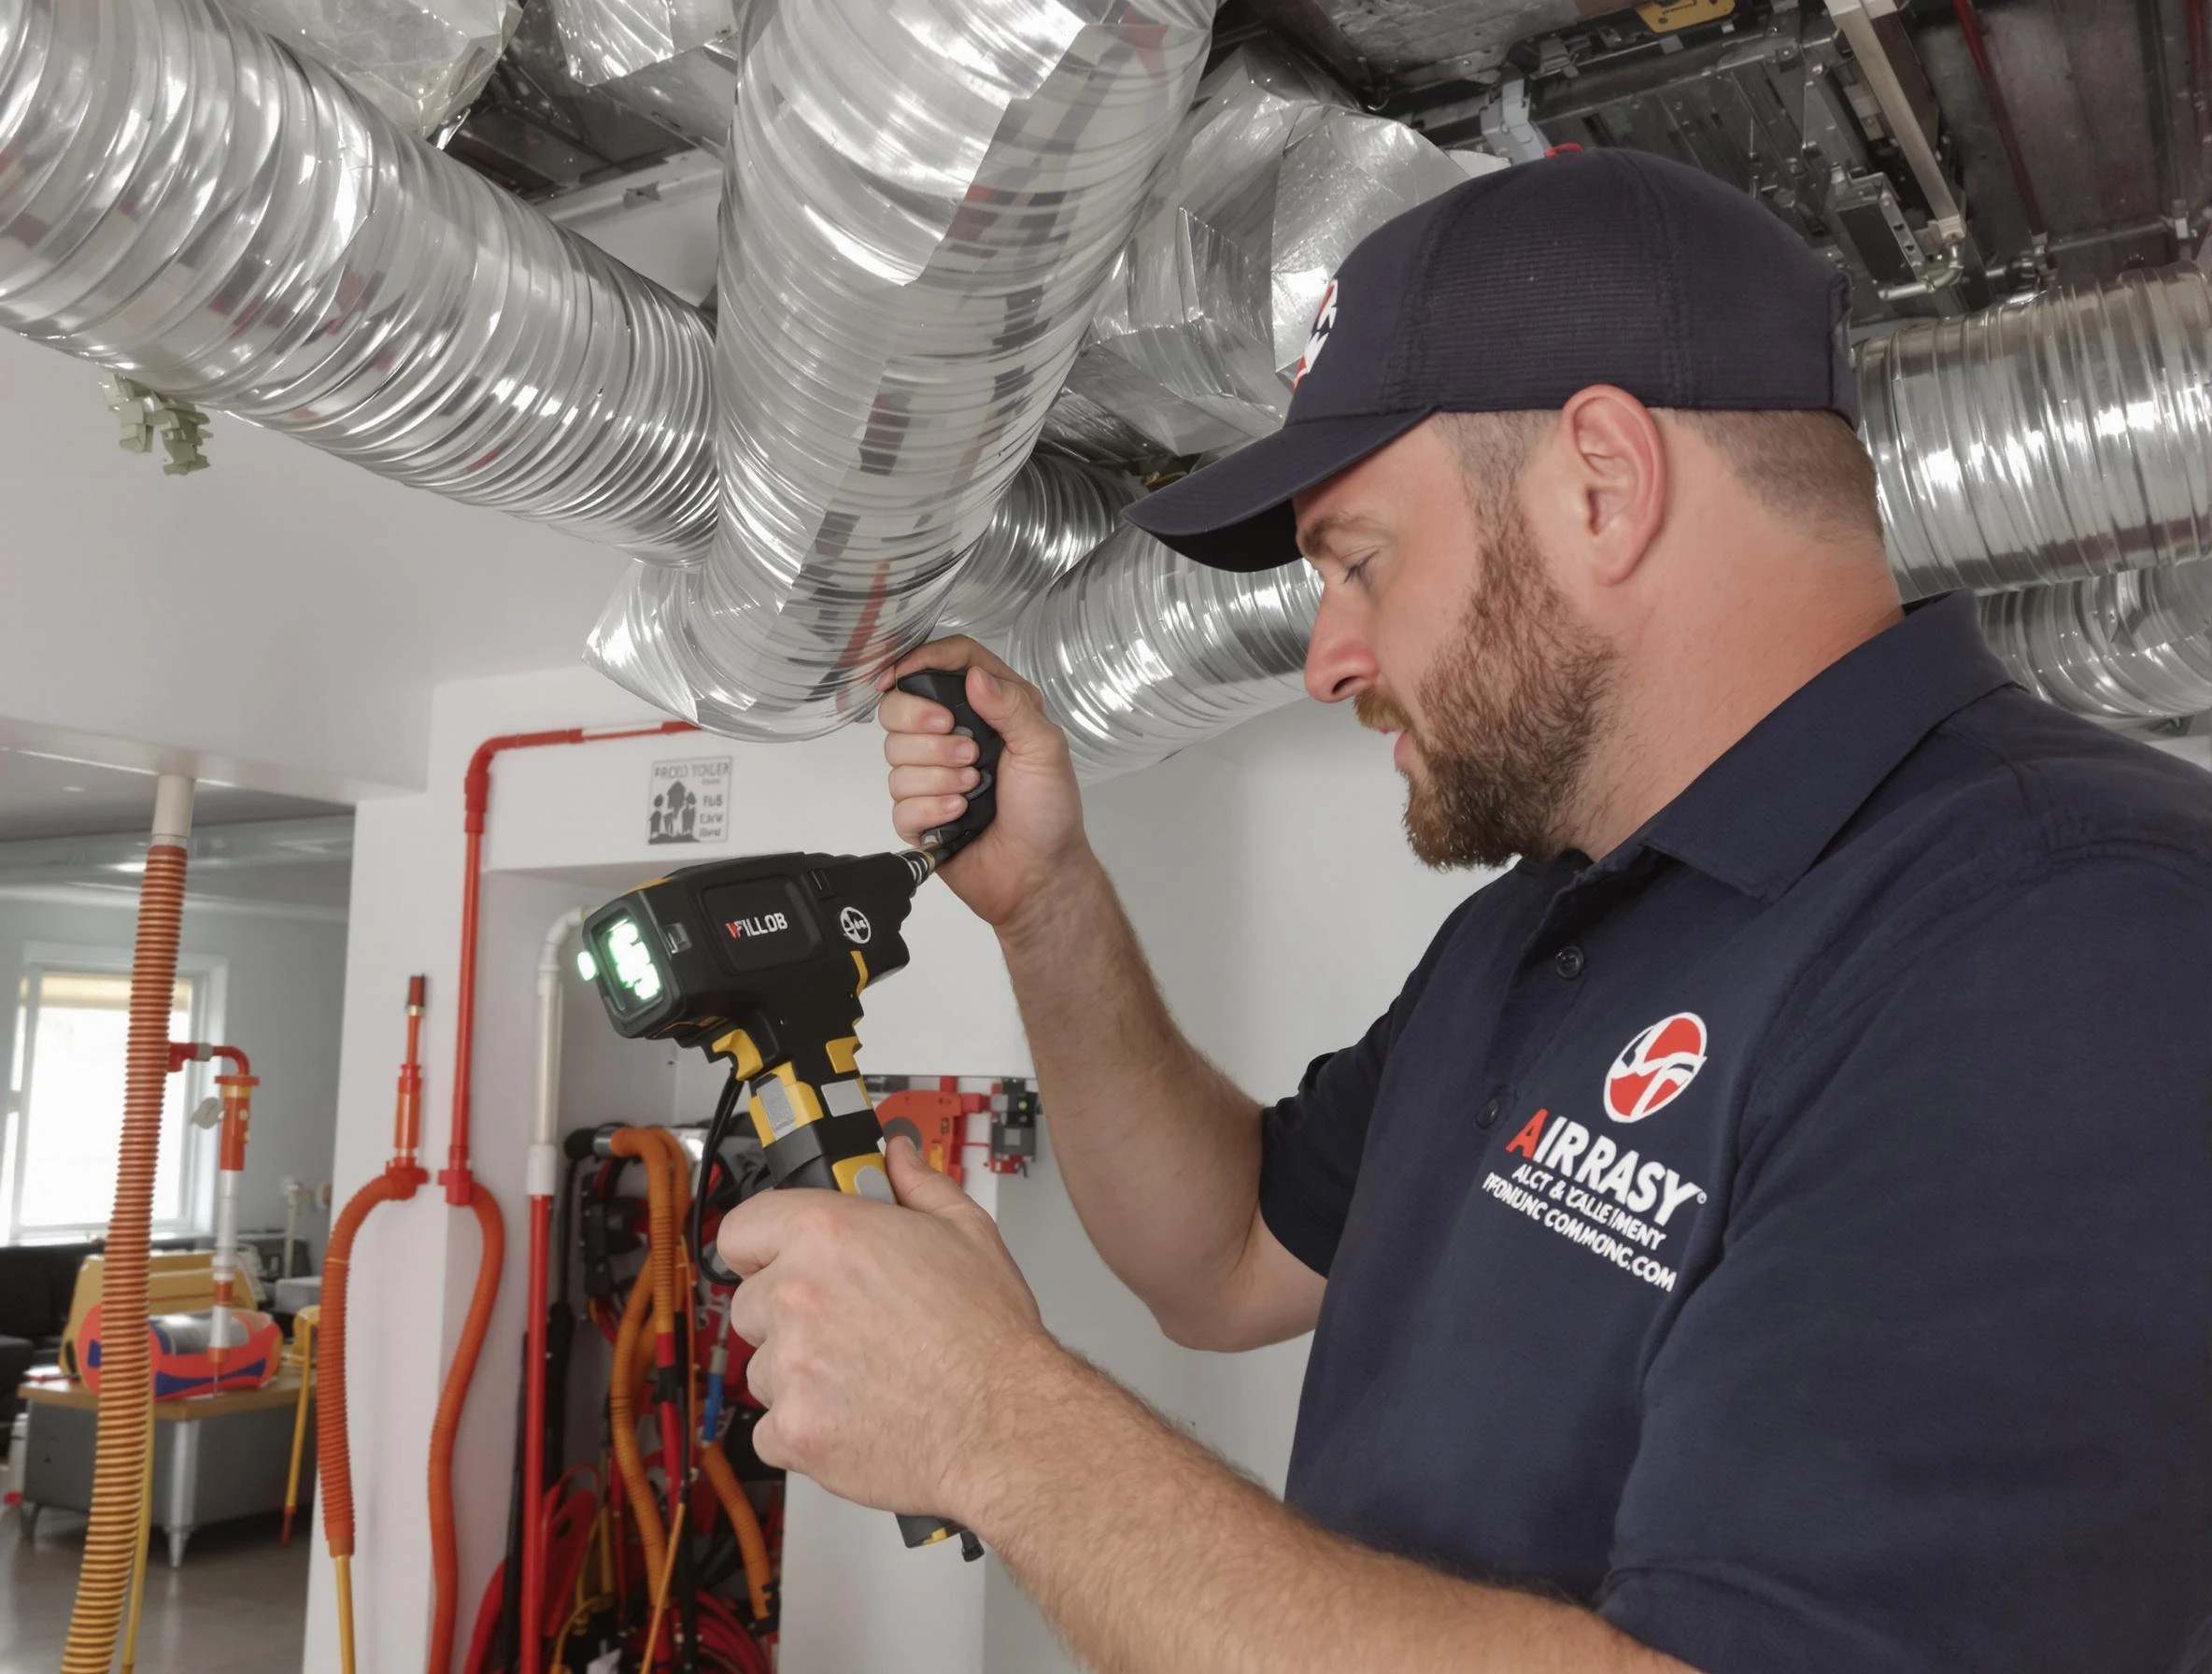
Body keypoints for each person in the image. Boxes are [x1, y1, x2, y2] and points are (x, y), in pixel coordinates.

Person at [716, 150, 2212, 1671]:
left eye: (1357, 563)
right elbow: (1225, 1253)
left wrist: (996, 1429)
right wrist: (1046, 904)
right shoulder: (1551, 915)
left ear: (1603, 485)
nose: (1328, 660)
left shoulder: (2071, 939)